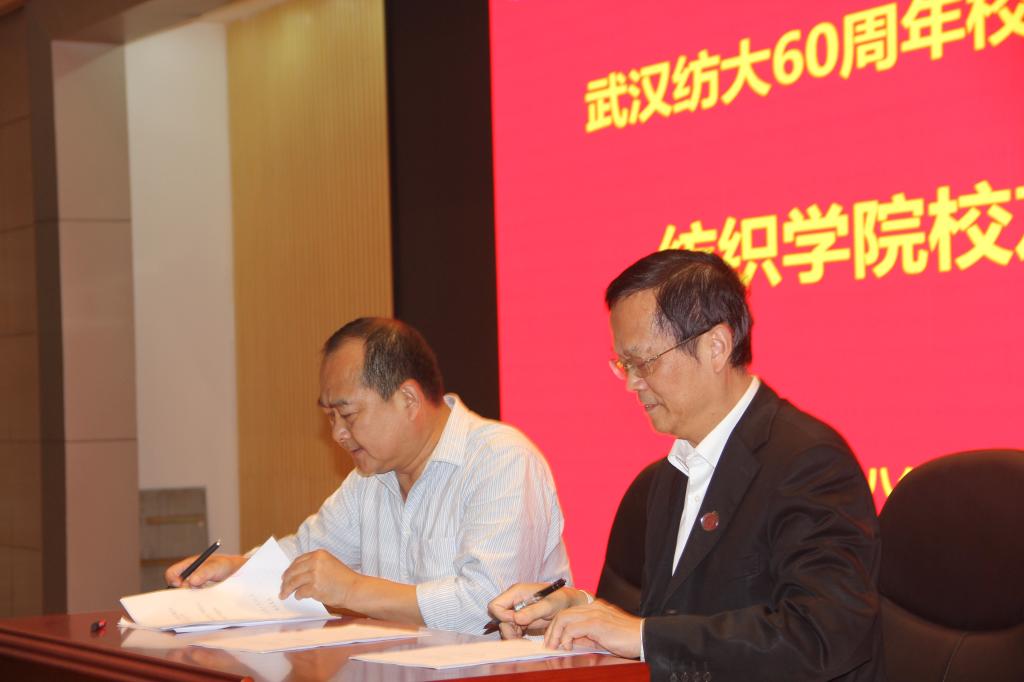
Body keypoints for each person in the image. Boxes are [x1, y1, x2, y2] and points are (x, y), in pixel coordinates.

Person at [489, 251, 884, 681]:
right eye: (624, 364)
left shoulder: (807, 461)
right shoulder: (669, 475)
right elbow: (676, 619)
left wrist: (643, 636)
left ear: (716, 347)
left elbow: (821, 636)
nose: (632, 383)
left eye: (644, 362)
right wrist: (582, 613)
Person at [166, 317, 571, 633]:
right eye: (330, 417)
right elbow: (306, 555)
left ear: (407, 398)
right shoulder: (370, 478)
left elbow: (485, 607)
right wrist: (237, 570)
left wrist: (352, 589)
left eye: (347, 414)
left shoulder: (500, 460)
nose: (338, 434)